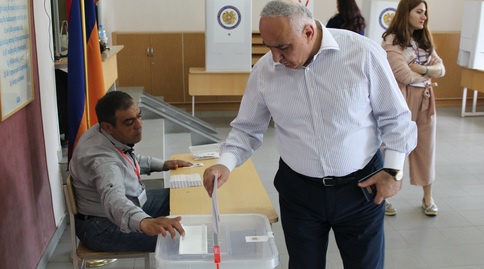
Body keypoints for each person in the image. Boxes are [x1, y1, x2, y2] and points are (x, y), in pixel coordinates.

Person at [202, 0, 417, 268]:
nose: (276, 58)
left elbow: (396, 118)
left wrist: (394, 170)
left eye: (283, 47)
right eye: (269, 47)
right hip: (300, 194)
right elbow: (247, 129)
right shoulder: (265, 71)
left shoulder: (361, 53)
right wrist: (226, 163)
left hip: (361, 189)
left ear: (308, 32)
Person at [69, 90, 191, 252]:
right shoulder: (103, 161)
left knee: (183, 195)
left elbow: (127, 158)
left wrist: (163, 164)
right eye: (129, 122)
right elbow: (114, 200)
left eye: (139, 116)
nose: (139, 125)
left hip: (128, 203)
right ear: (108, 127)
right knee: (179, 239)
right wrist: (145, 222)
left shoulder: (103, 132)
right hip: (102, 227)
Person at [382, 0, 445, 217]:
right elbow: (404, 76)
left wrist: (421, 68)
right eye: (419, 12)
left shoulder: (423, 40)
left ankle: (428, 197)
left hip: (426, 99)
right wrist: (428, 72)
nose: (424, 17)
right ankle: (384, 195)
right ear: (405, 12)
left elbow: (441, 68)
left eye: (425, 12)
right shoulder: (391, 41)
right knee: (393, 147)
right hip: (401, 99)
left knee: (426, 148)